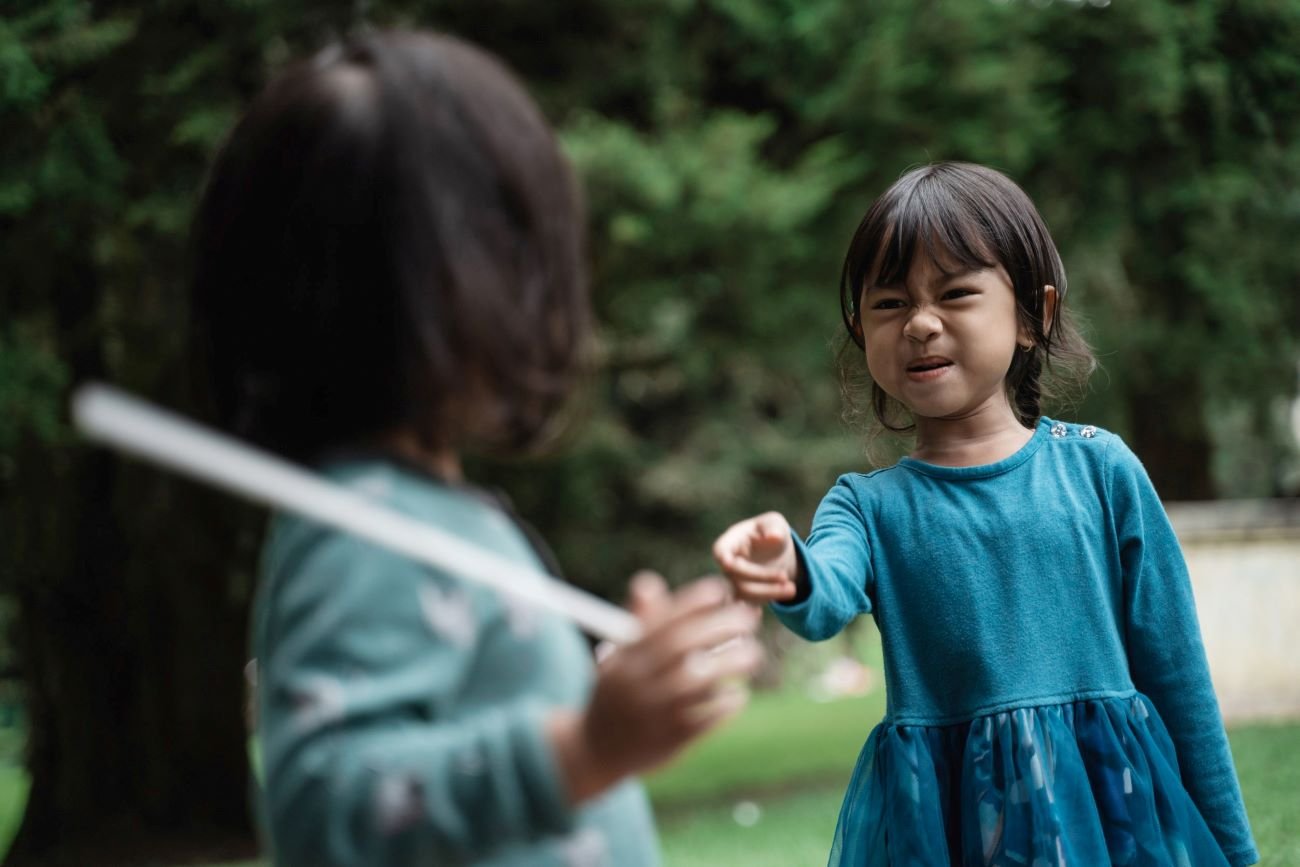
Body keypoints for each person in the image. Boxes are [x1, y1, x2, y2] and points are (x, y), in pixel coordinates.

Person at [189, 30, 762, 867]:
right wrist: (582, 749)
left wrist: (614, 700)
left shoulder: (421, 514)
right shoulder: (360, 533)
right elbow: (319, 808)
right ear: (450, 280)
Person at [712, 162, 1257, 867]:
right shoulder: (867, 505)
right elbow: (827, 591)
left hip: (1108, 815)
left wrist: (1236, 852)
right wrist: (787, 564)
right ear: (860, 329)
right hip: (949, 824)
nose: (922, 323)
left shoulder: (1102, 471)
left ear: (1035, 314)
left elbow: (1178, 674)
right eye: (889, 303)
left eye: (957, 293)